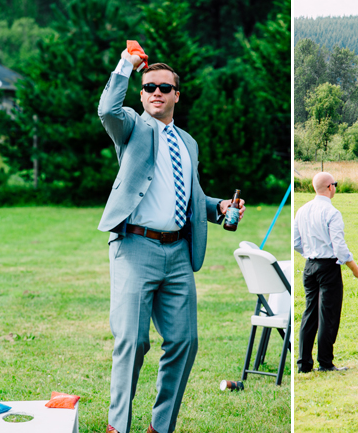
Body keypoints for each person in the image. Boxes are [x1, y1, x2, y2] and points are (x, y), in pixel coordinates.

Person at [97, 47, 244, 433]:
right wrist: (126, 66)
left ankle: (160, 427)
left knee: (185, 341)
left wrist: (220, 207)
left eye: (165, 87)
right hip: (135, 248)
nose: (156, 92)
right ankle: (118, 427)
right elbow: (107, 111)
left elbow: (192, 194)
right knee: (132, 342)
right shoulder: (130, 126)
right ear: (141, 93)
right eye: (149, 87)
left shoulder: (189, 143)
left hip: (179, 252)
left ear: (177, 94)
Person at [293, 172, 358, 373]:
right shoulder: (332, 213)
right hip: (328, 267)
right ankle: (325, 363)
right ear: (330, 187)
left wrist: (310, 253)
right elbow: (340, 248)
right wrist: (355, 270)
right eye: (335, 184)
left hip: (309, 267)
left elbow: (295, 242)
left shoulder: (301, 210)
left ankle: (304, 364)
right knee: (328, 315)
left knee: (309, 313)